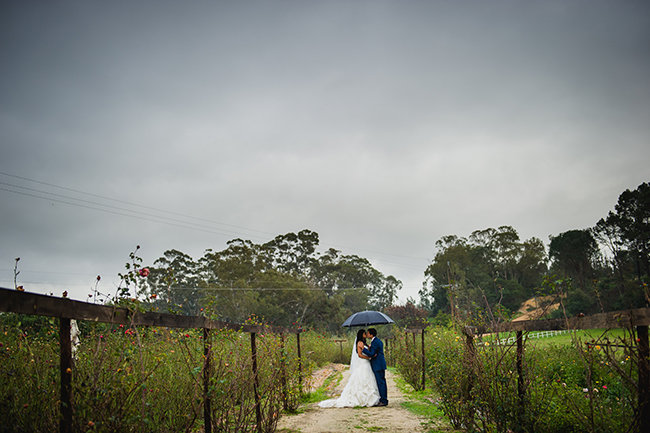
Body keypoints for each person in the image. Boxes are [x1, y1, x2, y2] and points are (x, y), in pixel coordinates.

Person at [318, 329, 381, 408]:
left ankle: (369, 398)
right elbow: (360, 355)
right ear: (361, 335)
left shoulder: (365, 343)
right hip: (363, 363)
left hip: (366, 364)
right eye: (365, 334)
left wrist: (369, 348)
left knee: (369, 379)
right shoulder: (359, 343)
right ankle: (362, 399)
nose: (366, 335)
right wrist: (368, 358)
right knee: (362, 379)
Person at [362, 328, 388, 406]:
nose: (367, 335)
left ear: (371, 334)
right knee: (381, 382)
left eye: (368, 333)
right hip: (380, 364)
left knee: (380, 382)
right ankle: (383, 399)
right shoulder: (377, 341)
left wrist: (363, 349)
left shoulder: (375, 342)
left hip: (378, 364)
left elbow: (372, 354)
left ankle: (383, 400)